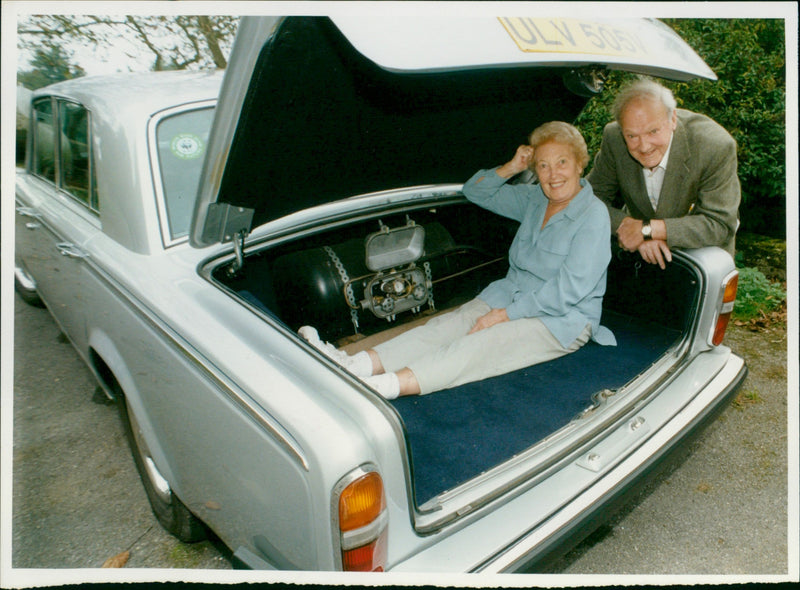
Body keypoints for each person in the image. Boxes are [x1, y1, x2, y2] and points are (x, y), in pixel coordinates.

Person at [301, 121, 616, 399]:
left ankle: (380, 387)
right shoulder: (535, 199)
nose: (553, 174)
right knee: (444, 326)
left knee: (481, 343)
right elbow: (475, 191)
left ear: (580, 163)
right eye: (543, 166)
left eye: (562, 162)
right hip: (509, 296)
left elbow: (568, 291)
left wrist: (504, 315)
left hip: (562, 319)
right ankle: (350, 364)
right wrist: (513, 167)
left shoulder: (593, 215)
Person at [586, 78, 741, 269]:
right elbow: (589, 199)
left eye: (653, 132)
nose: (643, 146)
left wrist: (649, 230)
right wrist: (626, 226)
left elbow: (720, 224)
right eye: (632, 136)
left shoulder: (715, 146)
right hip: (638, 258)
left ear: (673, 119)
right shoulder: (614, 138)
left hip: (699, 264)